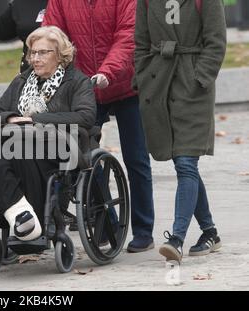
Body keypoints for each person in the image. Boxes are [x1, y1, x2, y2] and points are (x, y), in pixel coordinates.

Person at [43, 0, 155, 252]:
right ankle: (108, 224)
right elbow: (53, 36)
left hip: (126, 83)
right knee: (83, 158)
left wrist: (108, 71)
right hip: (85, 87)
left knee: (136, 158)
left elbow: (128, 36)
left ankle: (144, 230)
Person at [0, 26, 96, 241]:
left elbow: (85, 117)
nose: (35, 58)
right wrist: (9, 118)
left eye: (43, 52)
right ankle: (22, 217)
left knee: (15, 155)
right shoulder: (21, 81)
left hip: (59, 149)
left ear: (60, 55)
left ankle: (27, 222)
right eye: (32, 53)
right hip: (19, 144)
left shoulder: (77, 82)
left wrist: (35, 119)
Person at [134, 0, 226, 262]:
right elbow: (140, 42)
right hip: (158, 84)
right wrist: (142, 75)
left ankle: (176, 238)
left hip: (193, 87)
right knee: (183, 164)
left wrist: (200, 78)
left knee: (186, 161)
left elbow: (216, 41)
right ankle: (210, 232)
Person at [0, 0, 48, 72]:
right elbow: (1, 30)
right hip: (29, 74)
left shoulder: (57, 3)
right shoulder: (20, 3)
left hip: (56, 73)